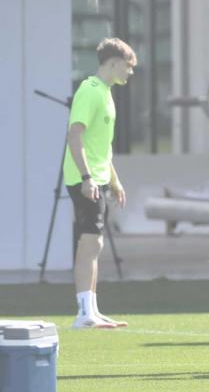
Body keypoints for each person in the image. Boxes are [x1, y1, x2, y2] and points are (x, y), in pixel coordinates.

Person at [63, 37, 135, 329]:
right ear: (114, 63)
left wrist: (115, 181)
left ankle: (91, 309)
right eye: (129, 67)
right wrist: (86, 177)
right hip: (85, 179)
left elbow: (102, 147)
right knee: (89, 242)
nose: (130, 72)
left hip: (99, 178)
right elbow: (75, 135)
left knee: (96, 242)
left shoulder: (106, 93)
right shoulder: (90, 91)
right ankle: (83, 313)